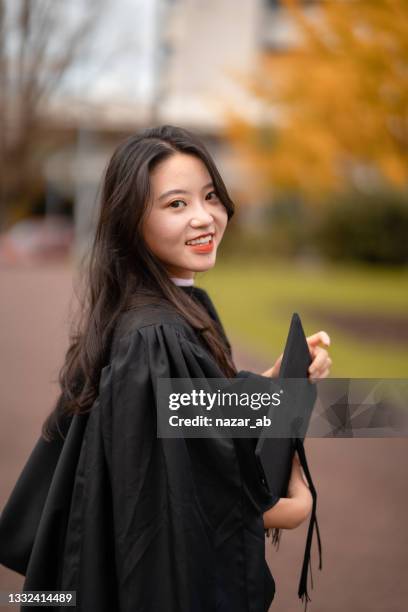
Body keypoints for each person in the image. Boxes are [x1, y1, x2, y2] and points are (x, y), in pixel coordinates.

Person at [0, 125, 331, 611]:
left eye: (211, 196)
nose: (205, 218)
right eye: (176, 204)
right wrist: (287, 511)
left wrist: (277, 384)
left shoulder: (150, 311)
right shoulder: (154, 337)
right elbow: (168, 503)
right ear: (132, 219)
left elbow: (180, 418)